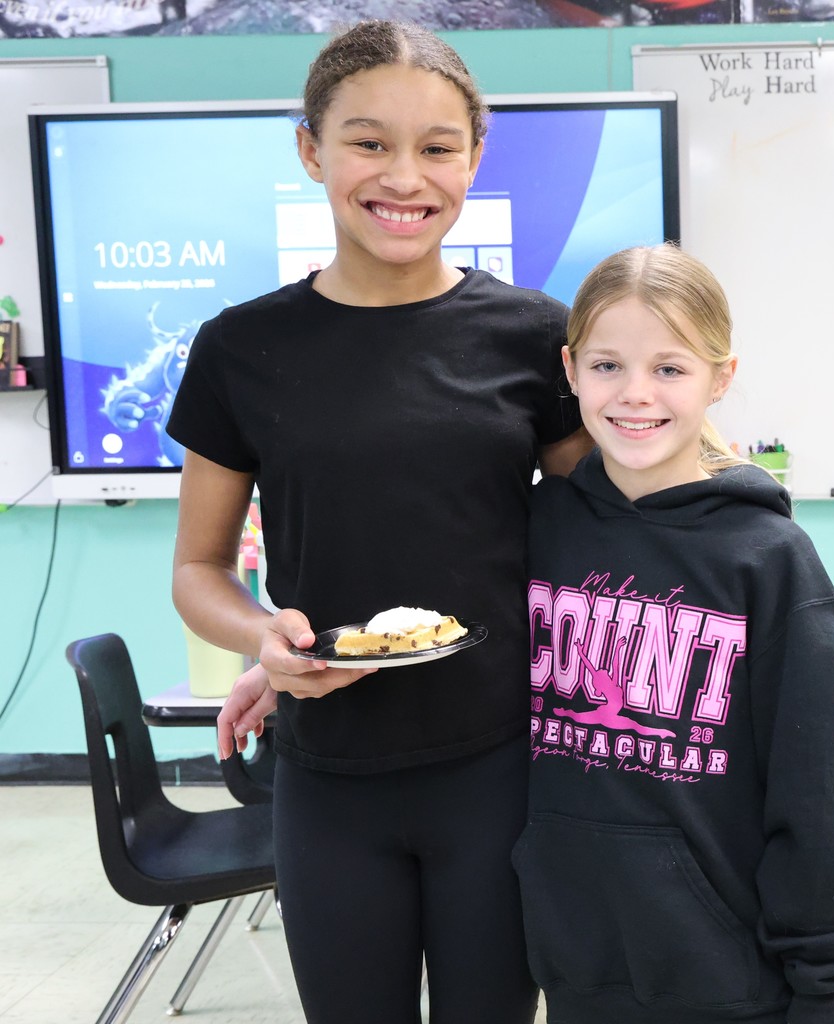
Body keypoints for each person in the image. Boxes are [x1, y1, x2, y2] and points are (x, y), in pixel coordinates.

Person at [166, 19, 589, 1024]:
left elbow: (601, 537)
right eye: (368, 141)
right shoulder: (241, 349)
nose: (405, 176)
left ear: (475, 158)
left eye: (438, 147)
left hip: (503, 767)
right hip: (328, 777)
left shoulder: (536, 337)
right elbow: (198, 568)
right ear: (310, 149)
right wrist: (260, 639)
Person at [513, 243, 834, 1024]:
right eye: (608, 366)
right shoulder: (537, 530)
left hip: (730, 981)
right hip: (574, 968)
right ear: (570, 372)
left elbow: (813, 795)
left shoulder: (770, 560)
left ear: (720, 379)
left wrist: (822, 981)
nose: (636, 395)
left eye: (669, 369)